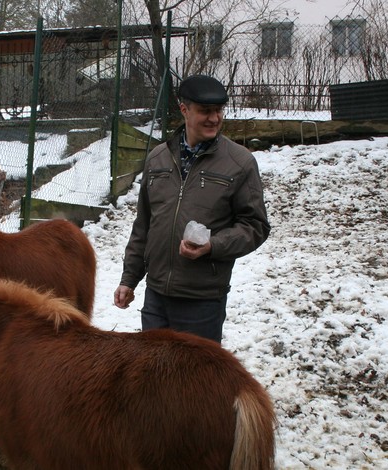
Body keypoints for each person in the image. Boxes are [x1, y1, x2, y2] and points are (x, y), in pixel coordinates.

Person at [113, 74, 270, 344]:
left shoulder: (239, 162)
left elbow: (255, 226)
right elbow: (144, 225)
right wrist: (129, 279)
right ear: (184, 110)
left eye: (219, 110)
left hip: (202, 299)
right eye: (205, 111)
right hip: (157, 295)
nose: (214, 118)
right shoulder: (158, 158)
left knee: (196, 384)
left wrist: (213, 245)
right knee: (153, 378)